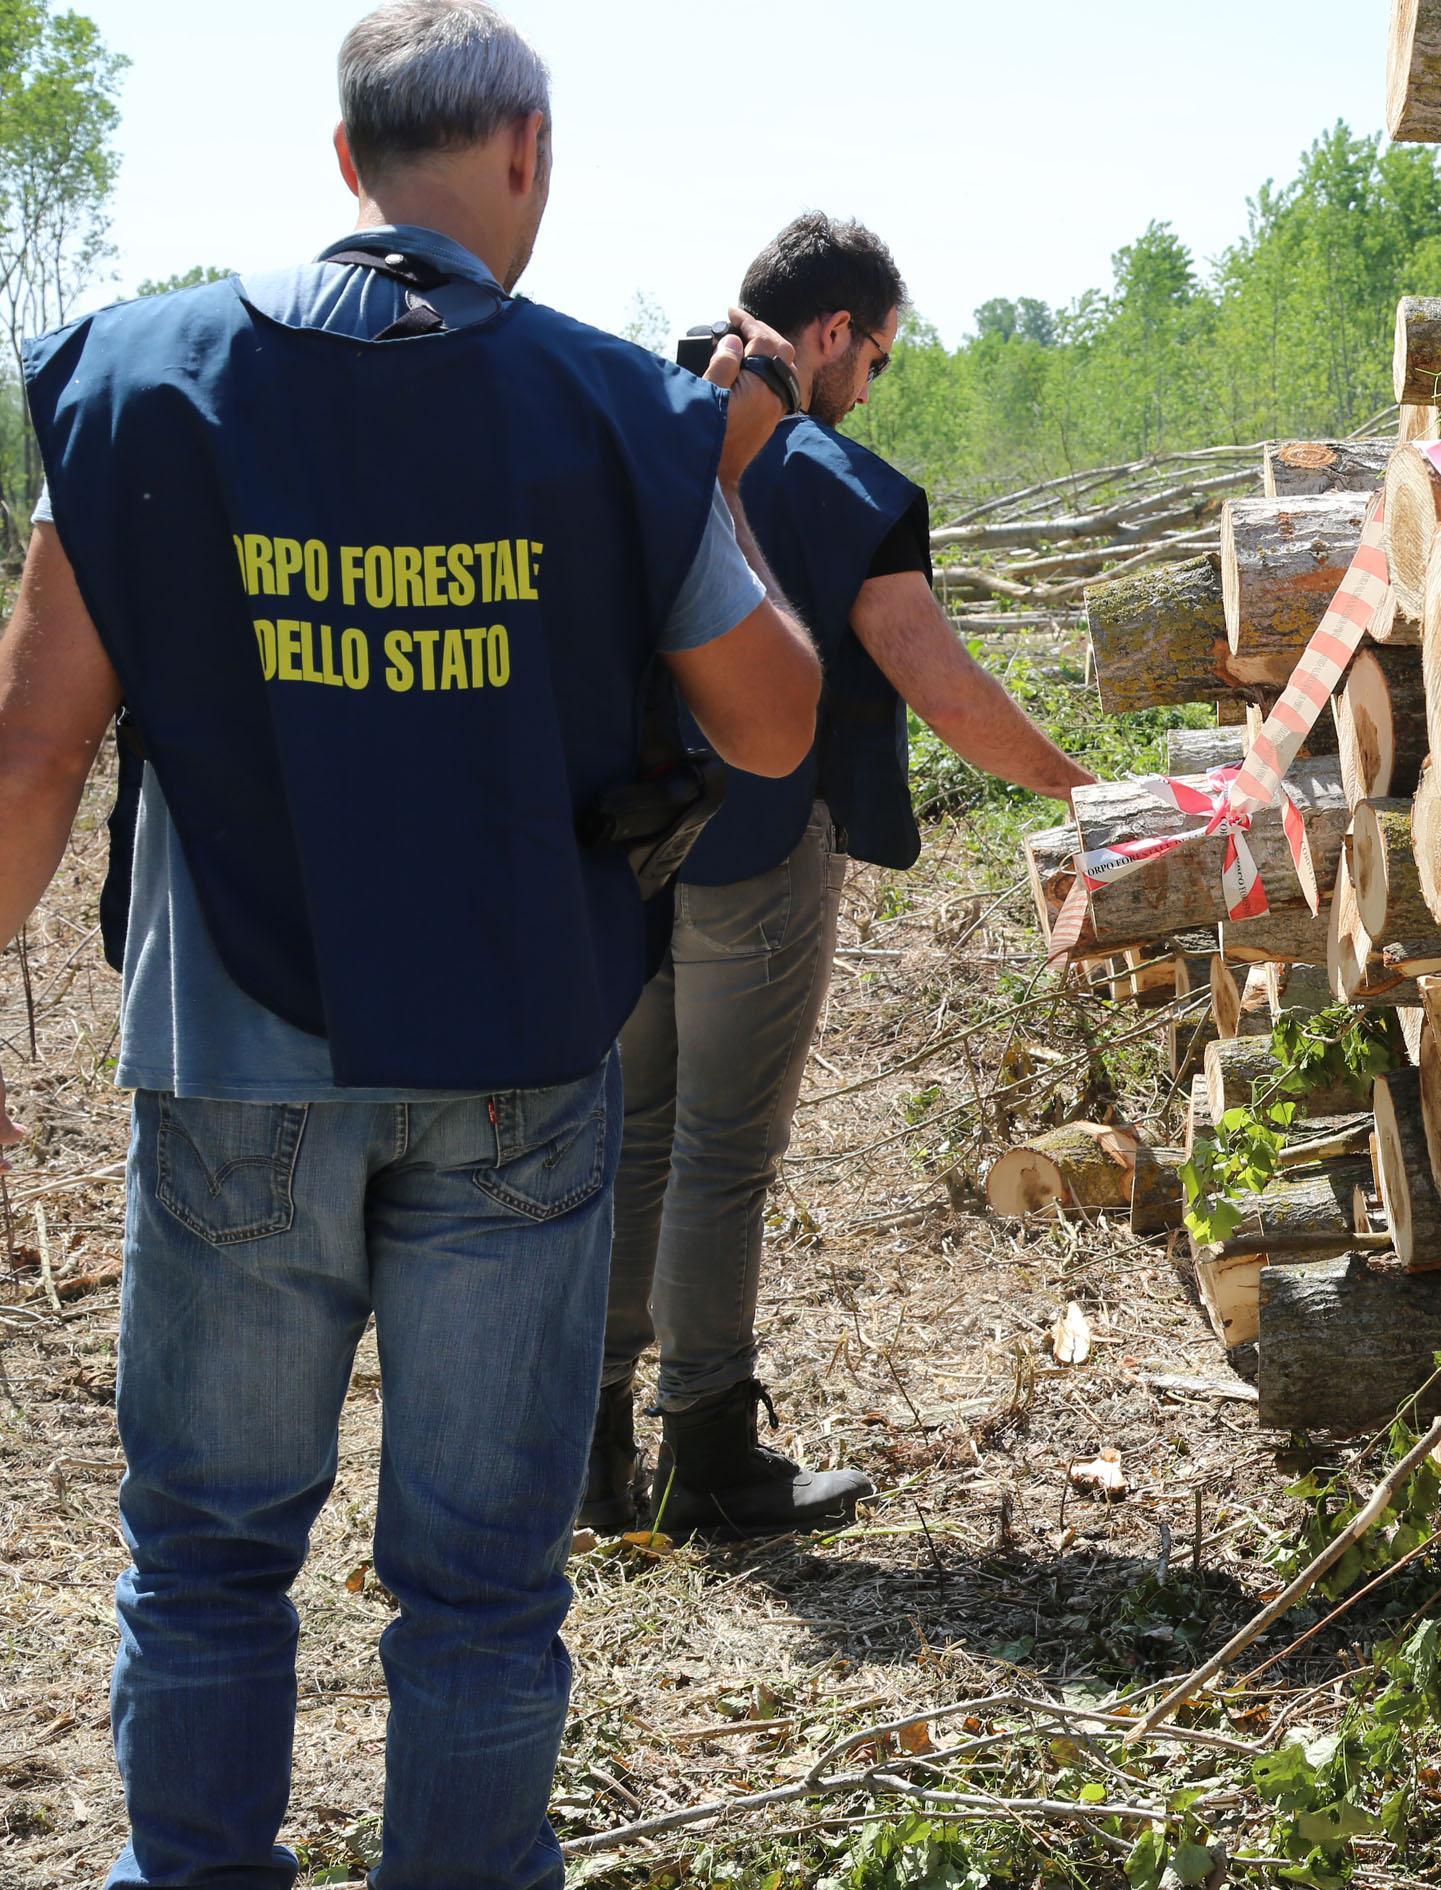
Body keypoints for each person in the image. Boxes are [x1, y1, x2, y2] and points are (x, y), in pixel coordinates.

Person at [0, 5, 824, 1884]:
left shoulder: (139, 384)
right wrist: (726, 474)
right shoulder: (619, 408)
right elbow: (772, 722)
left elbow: (35, 745)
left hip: (231, 1064)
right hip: (520, 1062)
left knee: (205, 1556)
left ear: (345, 162)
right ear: (523, 153)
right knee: (479, 1587)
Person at [589, 214, 1095, 1538]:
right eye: (875, 357)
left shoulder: (627, 421)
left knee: (633, 1134)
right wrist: (1085, 789)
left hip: (619, 846)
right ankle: (706, 1453)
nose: (872, 385)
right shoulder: (827, 475)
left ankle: (591, 1452)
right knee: (719, 1148)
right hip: (753, 845)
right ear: (828, 336)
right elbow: (938, 681)